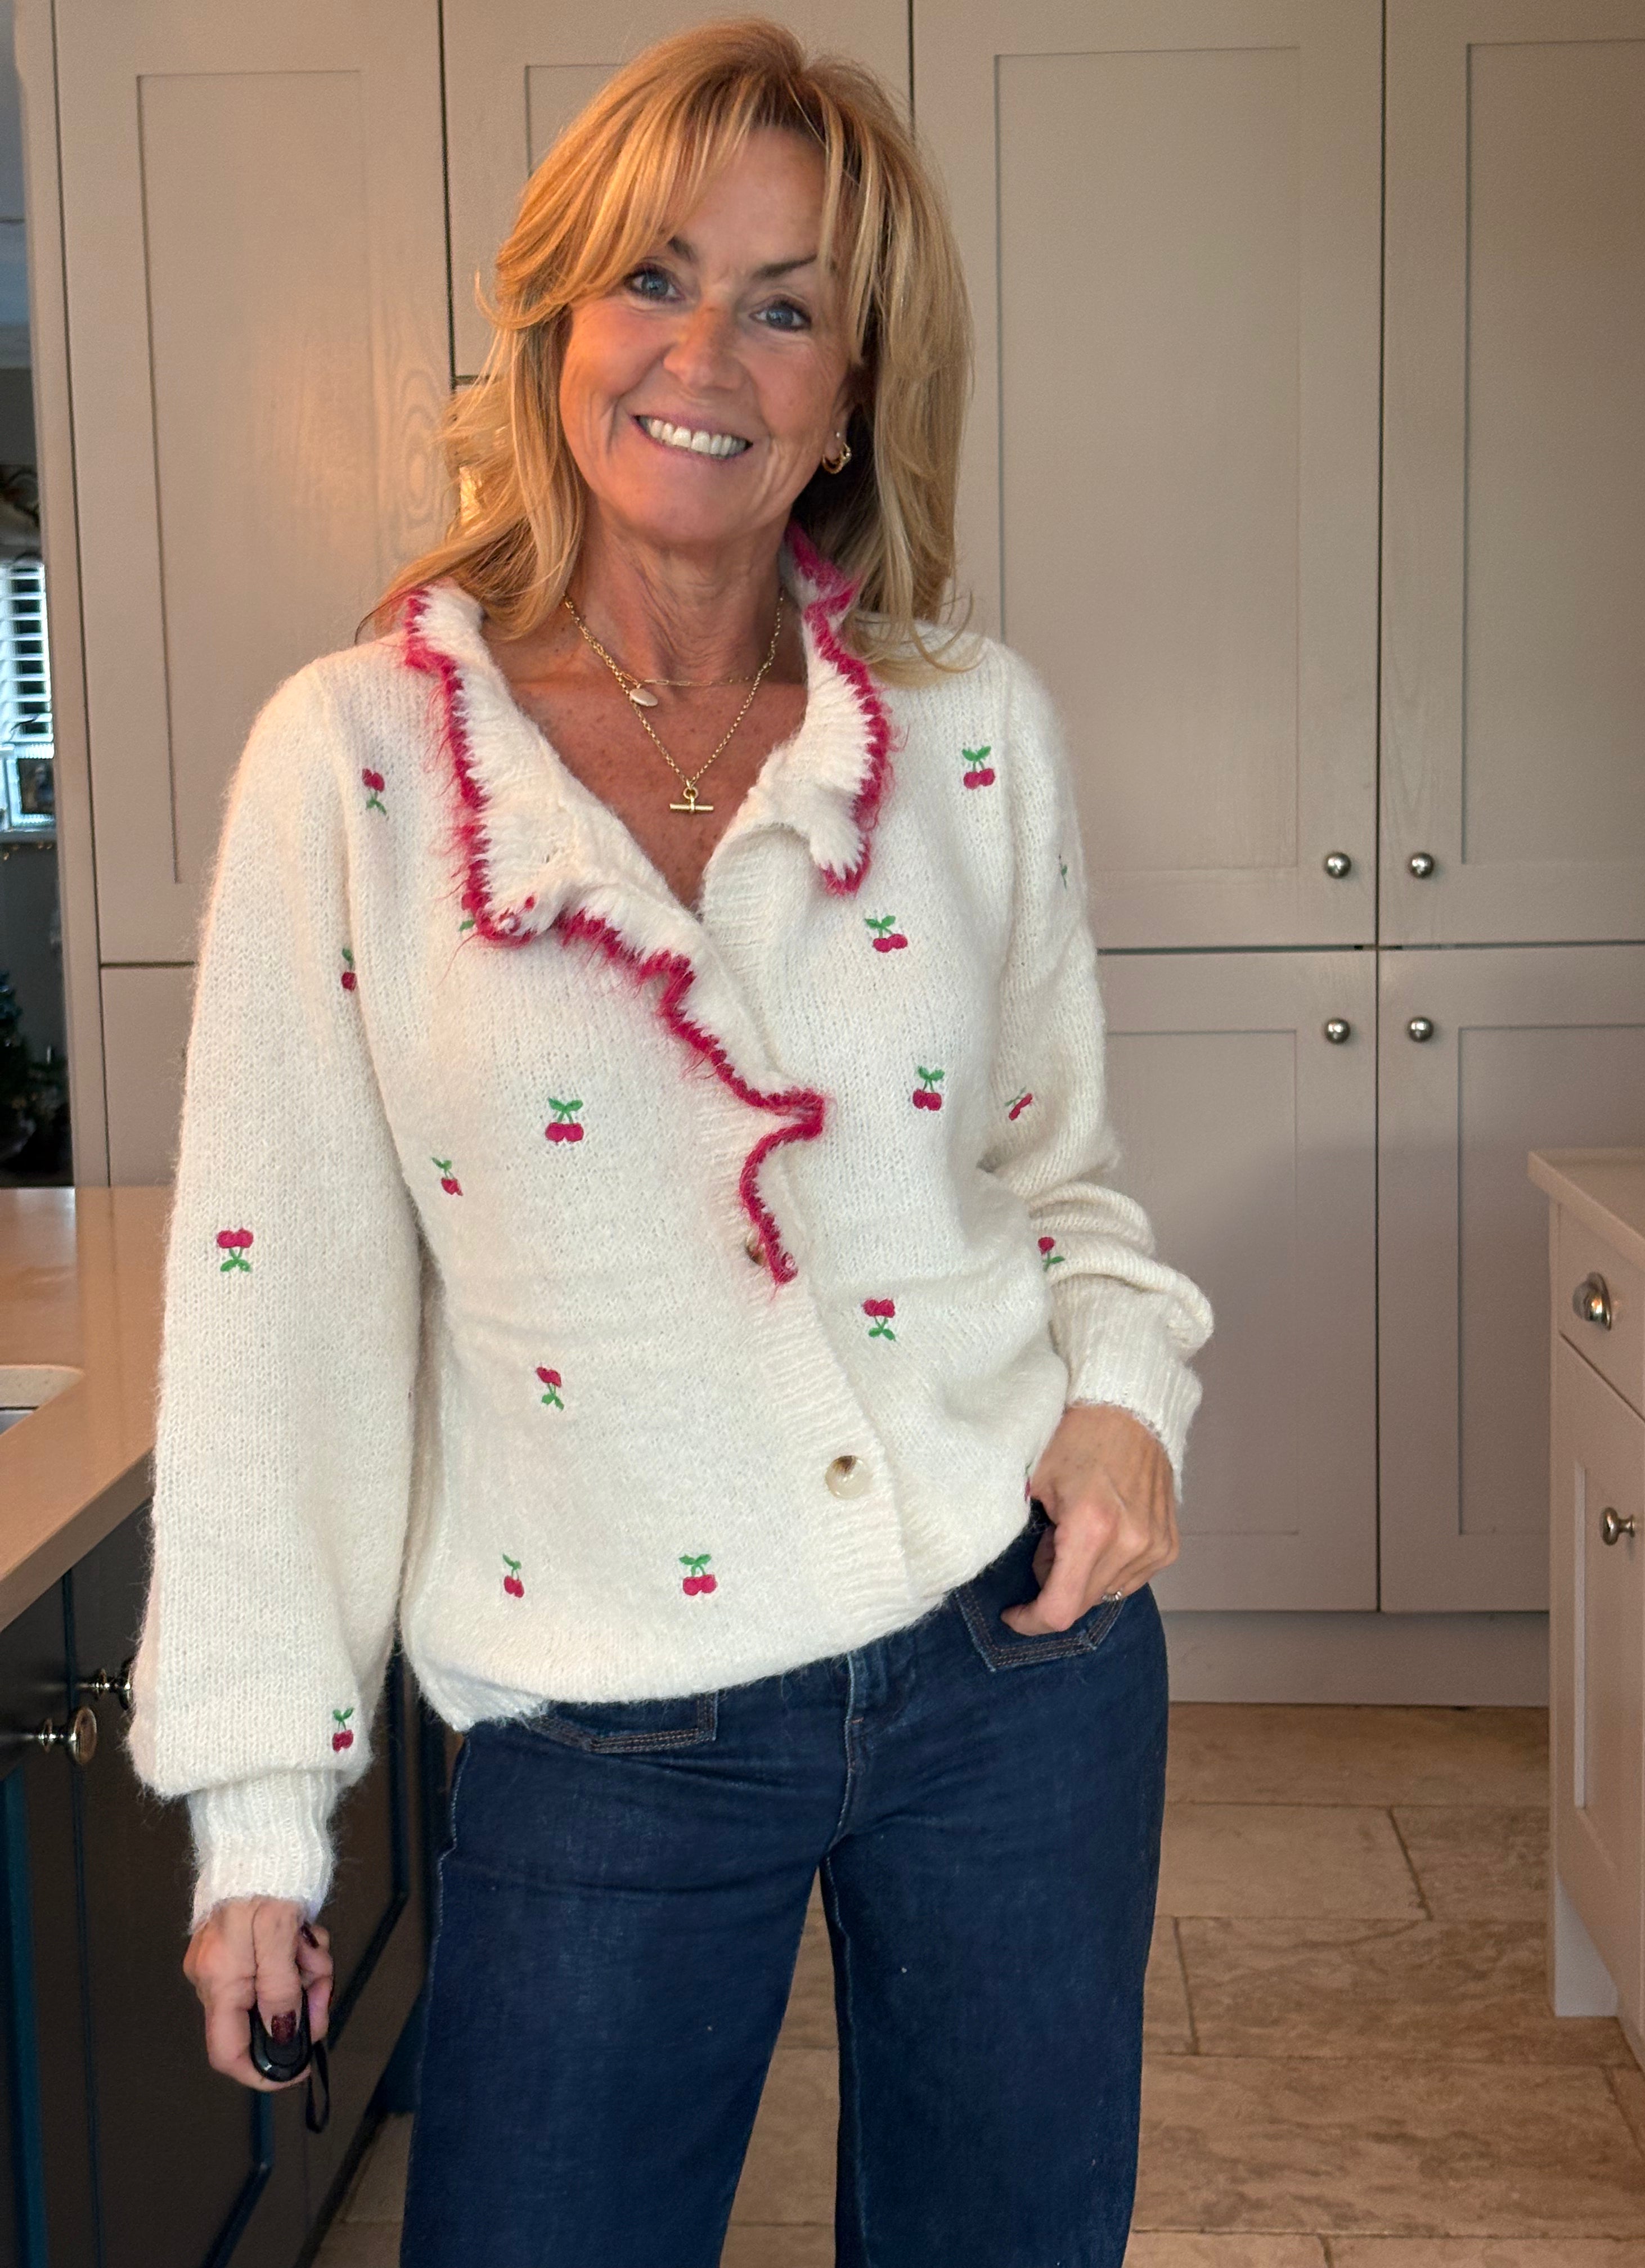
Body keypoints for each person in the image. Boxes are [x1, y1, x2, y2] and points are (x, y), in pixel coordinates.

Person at [129, 19, 1213, 2265]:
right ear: (554, 322)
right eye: (652, 277)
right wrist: (259, 1817)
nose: (705, 353)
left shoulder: (969, 731)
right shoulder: (360, 762)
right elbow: (279, 1315)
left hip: (1014, 1662)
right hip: (603, 1713)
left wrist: (1124, 1399)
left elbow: (1061, 1180)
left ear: (852, 388)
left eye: (786, 304)